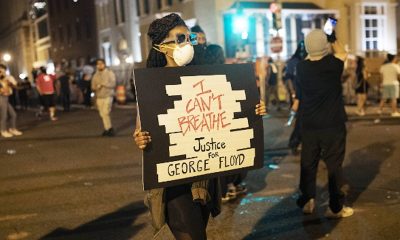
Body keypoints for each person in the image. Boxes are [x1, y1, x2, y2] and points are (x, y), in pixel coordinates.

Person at [133, 13, 266, 239]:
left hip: (203, 178)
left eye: (189, 38)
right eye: (181, 38)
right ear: (161, 46)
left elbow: (228, 113)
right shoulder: (152, 84)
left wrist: (253, 110)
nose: (188, 43)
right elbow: (141, 127)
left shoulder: (205, 77)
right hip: (173, 181)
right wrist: (140, 138)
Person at [296, 29, 354, 218]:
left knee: (308, 163)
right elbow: (343, 53)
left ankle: (308, 200)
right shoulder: (333, 65)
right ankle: (336, 206)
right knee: (334, 165)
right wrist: (333, 37)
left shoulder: (301, 68)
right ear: (325, 45)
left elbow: (309, 56)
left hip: (309, 123)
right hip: (332, 124)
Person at [91, 58, 116, 136]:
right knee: (102, 114)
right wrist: (96, 87)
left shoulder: (109, 73)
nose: (99, 65)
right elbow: (93, 86)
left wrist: (104, 84)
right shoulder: (95, 75)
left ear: (104, 64)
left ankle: (109, 128)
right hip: (99, 96)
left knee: (106, 112)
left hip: (108, 95)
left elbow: (113, 83)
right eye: (98, 64)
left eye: (101, 63)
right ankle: (107, 128)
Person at [0, 64, 22, 138]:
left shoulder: (8, 77)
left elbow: (15, 85)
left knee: (13, 114)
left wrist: (10, 82)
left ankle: (12, 128)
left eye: (2, 69)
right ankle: (3, 130)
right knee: (4, 115)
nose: (1, 70)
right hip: (1, 97)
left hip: (6, 97)